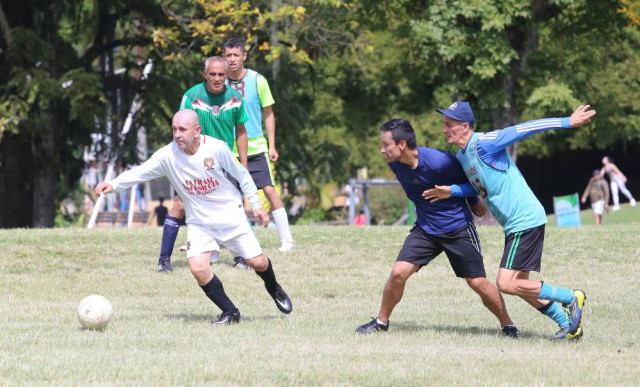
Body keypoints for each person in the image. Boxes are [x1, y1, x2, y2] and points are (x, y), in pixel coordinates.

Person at [95, 109, 292, 324]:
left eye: (182, 129)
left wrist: (256, 205)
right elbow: (139, 172)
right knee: (198, 267)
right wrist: (112, 184)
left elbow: (242, 175)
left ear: (197, 130)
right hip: (199, 222)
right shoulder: (166, 156)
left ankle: (274, 288)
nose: (177, 134)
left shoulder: (216, 148)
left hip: (230, 216)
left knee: (258, 262)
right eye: (174, 129)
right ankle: (230, 312)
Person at [423, 101, 593, 340]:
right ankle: (569, 326)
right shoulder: (462, 156)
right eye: (444, 124)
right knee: (520, 285)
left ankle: (570, 297)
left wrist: (567, 121)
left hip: (525, 219)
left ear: (465, 126)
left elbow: (525, 128)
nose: (444, 130)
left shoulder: (485, 142)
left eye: (449, 125)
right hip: (516, 224)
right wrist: (452, 191)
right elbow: (476, 187)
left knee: (505, 283)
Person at [355, 118, 519, 339]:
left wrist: (471, 200)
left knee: (477, 282)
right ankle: (381, 321)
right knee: (397, 273)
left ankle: (508, 325)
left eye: (386, 145)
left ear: (402, 145)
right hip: (426, 230)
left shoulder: (440, 161)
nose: (382, 150)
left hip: (458, 228)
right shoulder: (395, 163)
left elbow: (474, 183)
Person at [156, 56, 250, 272]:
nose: (217, 79)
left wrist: (243, 164)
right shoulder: (191, 96)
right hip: (193, 161)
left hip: (224, 163)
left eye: (221, 75)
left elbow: (241, 132)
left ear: (227, 75)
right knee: (179, 206)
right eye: (213, 74)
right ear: (205, 74)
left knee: (233, 207)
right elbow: (179, 127)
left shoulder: (235, 98)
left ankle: (241, 257)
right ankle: (164, 260)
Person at [223, 37, 294, 253]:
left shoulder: (258, 80)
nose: (232, 59)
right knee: (228, 198)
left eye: (236, 55)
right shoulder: (219, 81)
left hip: (255, 148)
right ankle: (230, 242)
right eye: (228, 55)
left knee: (270, 191)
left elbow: (269, 114)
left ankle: (287, 240)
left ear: (244, 56)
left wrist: (272, 145)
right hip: (228, 151)